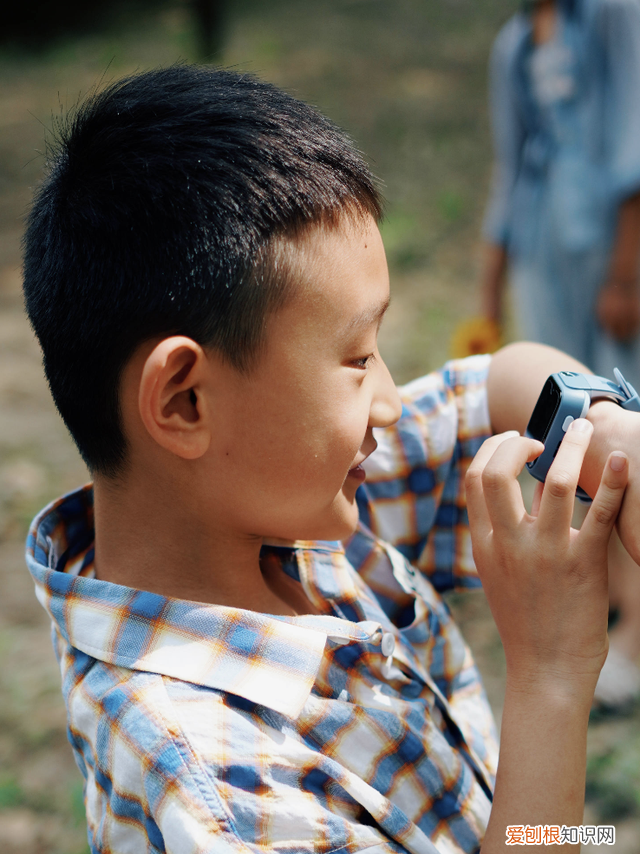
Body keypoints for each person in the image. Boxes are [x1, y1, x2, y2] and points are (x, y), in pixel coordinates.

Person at [22, 66, 640, 853]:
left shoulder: (274, 509)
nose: (389, 402)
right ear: (185, 401)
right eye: (356, 359)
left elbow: (493, 387)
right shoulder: (217, 793)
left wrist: (615, 434)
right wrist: (552, 677)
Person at [481, 0, 640, 707]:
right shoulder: (513, 44)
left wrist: (626, 272)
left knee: (622, 427)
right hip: (546, 253)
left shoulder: (615, 15)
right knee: (569, 429)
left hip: (611, 251)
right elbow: (508, 173)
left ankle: (637, 631)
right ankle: (606, 593)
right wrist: (490, 294)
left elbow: (635, 146)